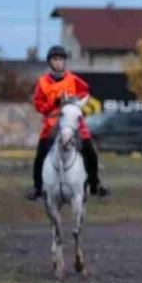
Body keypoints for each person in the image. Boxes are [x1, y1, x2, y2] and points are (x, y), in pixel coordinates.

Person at [26, 46, 109, 200]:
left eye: (61, 59)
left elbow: (85, 93)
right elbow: (38, 105)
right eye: (55, 59)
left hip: (74, 124)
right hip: (52, 125)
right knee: (40, 155)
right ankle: (37, 188)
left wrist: (76, 102)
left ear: (65, 62)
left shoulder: (74, 79)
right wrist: (54, 103)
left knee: (90, 151)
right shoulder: (42, 83)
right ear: (50, 62)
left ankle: (95, 184)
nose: (58, 63)